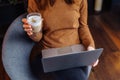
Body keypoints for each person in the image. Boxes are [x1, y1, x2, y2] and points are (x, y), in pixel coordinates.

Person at [22, 0, 99, 80]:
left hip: (74, 53)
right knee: (77, 76)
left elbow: (83, 26)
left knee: (76, 75)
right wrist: (33, 31)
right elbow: (38, 38)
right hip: (48, 54)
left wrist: (90, 47)